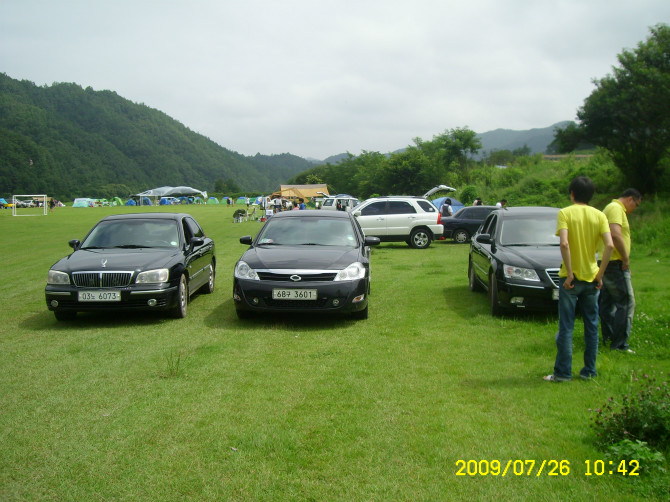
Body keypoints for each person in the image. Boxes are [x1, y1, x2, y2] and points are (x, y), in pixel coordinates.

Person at [544, 176, 613, 382]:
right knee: (592, 326)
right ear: (591, 195)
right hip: (592, 278)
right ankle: (589, 371)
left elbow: (564, 244)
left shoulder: (565, 213)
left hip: (570, 279)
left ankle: (563, 373)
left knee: (566, 326)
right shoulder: (599, 215)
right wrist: (600, 274)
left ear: (572, 193)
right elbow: (609, 246)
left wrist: (571, 272)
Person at [599, 188, 642, 353]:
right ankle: (619, 345)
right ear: (631, 199)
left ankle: (609, 337)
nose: (634, 209)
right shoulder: (616, 208)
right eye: (636, 205)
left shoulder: (611, 207)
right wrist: (625, 258)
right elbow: (616, 235)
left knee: (607, 303)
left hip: (608, 261)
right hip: (615, 262)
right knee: (626, 302)